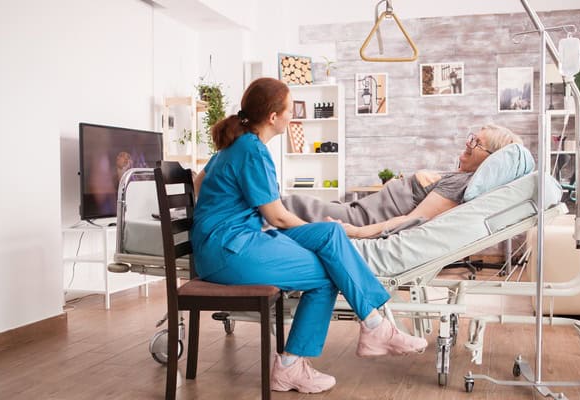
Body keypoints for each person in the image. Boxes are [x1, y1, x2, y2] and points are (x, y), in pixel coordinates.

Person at [191, 77, 427, 394]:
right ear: (274, 117)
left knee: (329, 232)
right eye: (290, 109)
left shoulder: (236, 144)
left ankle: (374, 326)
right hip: (229, 252)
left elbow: (198, 183)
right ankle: (294, 365)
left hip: (231, 243)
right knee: (329, 273)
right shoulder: (252, 150)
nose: (293, 116)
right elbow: (275, 215)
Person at [282, 124, 522, 239]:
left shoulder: (460, 185)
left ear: (490, 159)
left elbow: (413, 220)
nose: (468, 144)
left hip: (363, 218)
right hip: (361, 209)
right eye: (471, 138)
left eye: (476, 143)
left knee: (290, 205)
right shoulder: (459, 177)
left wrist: (357, 232)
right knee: (290, 207)